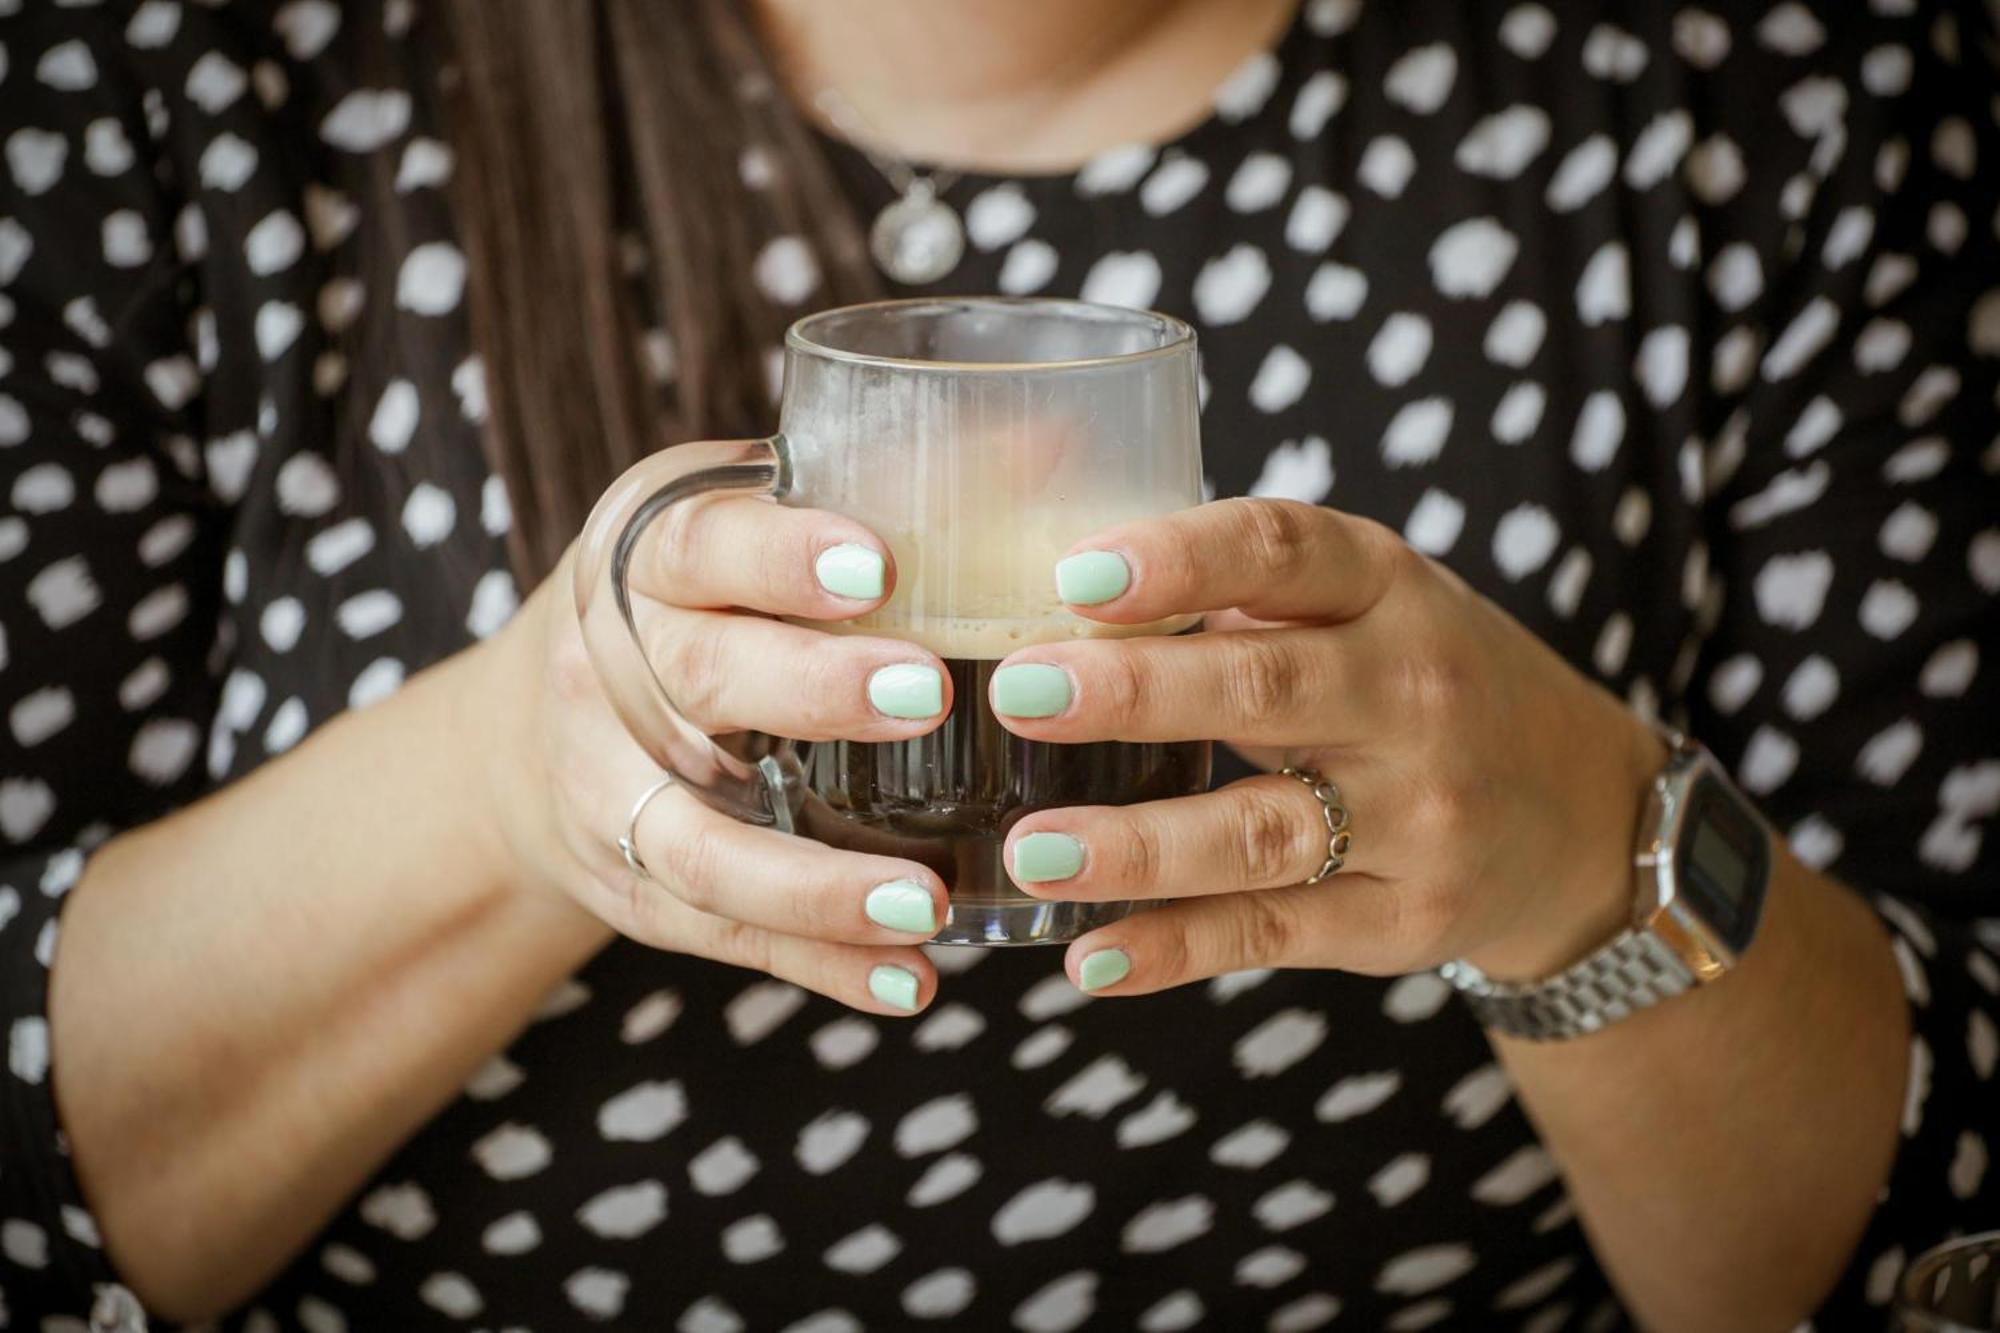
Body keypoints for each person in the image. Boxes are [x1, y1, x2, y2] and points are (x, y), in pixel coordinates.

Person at [2, 0, 1994, 1327]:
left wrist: (1592, 856)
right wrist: (518, 789)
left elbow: (1935, 1236)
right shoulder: (174, 73)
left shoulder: (1787, 96)